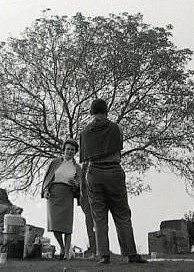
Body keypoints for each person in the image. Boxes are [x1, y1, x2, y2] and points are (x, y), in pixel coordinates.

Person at [79, 99, 147, 264]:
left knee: (99, 216)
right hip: (113, 171)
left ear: (91, 112)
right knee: (122, 213)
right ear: (106, 111)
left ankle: (103, 255)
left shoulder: (85, 133)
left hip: (94, 172)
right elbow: (118, 149)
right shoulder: (115, 128)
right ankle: (131, 254)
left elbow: (84, 159)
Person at [41, 138, 82, 260]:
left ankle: (66, 254)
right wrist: (46, 190)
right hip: (54, 194)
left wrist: (76, 184)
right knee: (55, 225)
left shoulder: (77, 167)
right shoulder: (54, 163)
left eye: (72, 150)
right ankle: (62, 247)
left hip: (67, 194)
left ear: (75, 152)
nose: (70, 151)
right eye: (68, 149)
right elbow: (47, 179)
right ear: (63, 150)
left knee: (67, 226)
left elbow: (80, 183)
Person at [79, 161, 96, 257]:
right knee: (89, 225)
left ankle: (100, 249)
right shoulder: (84, 167)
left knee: (98, 224)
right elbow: (82, 186)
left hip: (96, 200)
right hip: (86, 201)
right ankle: (93, 248)